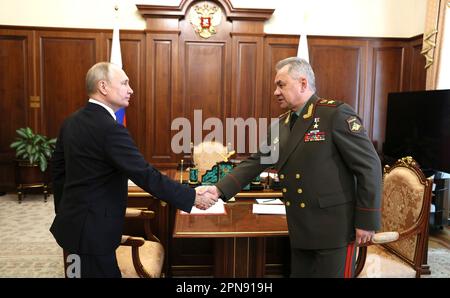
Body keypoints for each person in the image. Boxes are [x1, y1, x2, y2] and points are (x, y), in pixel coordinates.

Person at [210, 57, 382, 278]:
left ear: (303, 83)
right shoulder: (281, 125)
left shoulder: (334, 114)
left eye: (281, 84)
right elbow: (257, 161)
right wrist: (218, 189)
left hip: (334, 230)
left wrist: (367, 221)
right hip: (301, 228)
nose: (275, 92)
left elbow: (369, 166)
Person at [50, 62, 217, 278]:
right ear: (103, 86)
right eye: (124, 83)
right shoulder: (110, 130)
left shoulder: (70, 122)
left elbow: (58, 172)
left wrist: (66, 213)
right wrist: (192, 196)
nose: (131, 89)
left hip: (73, 227)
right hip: (94, 235)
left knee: (76, 274)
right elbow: (144, 174)